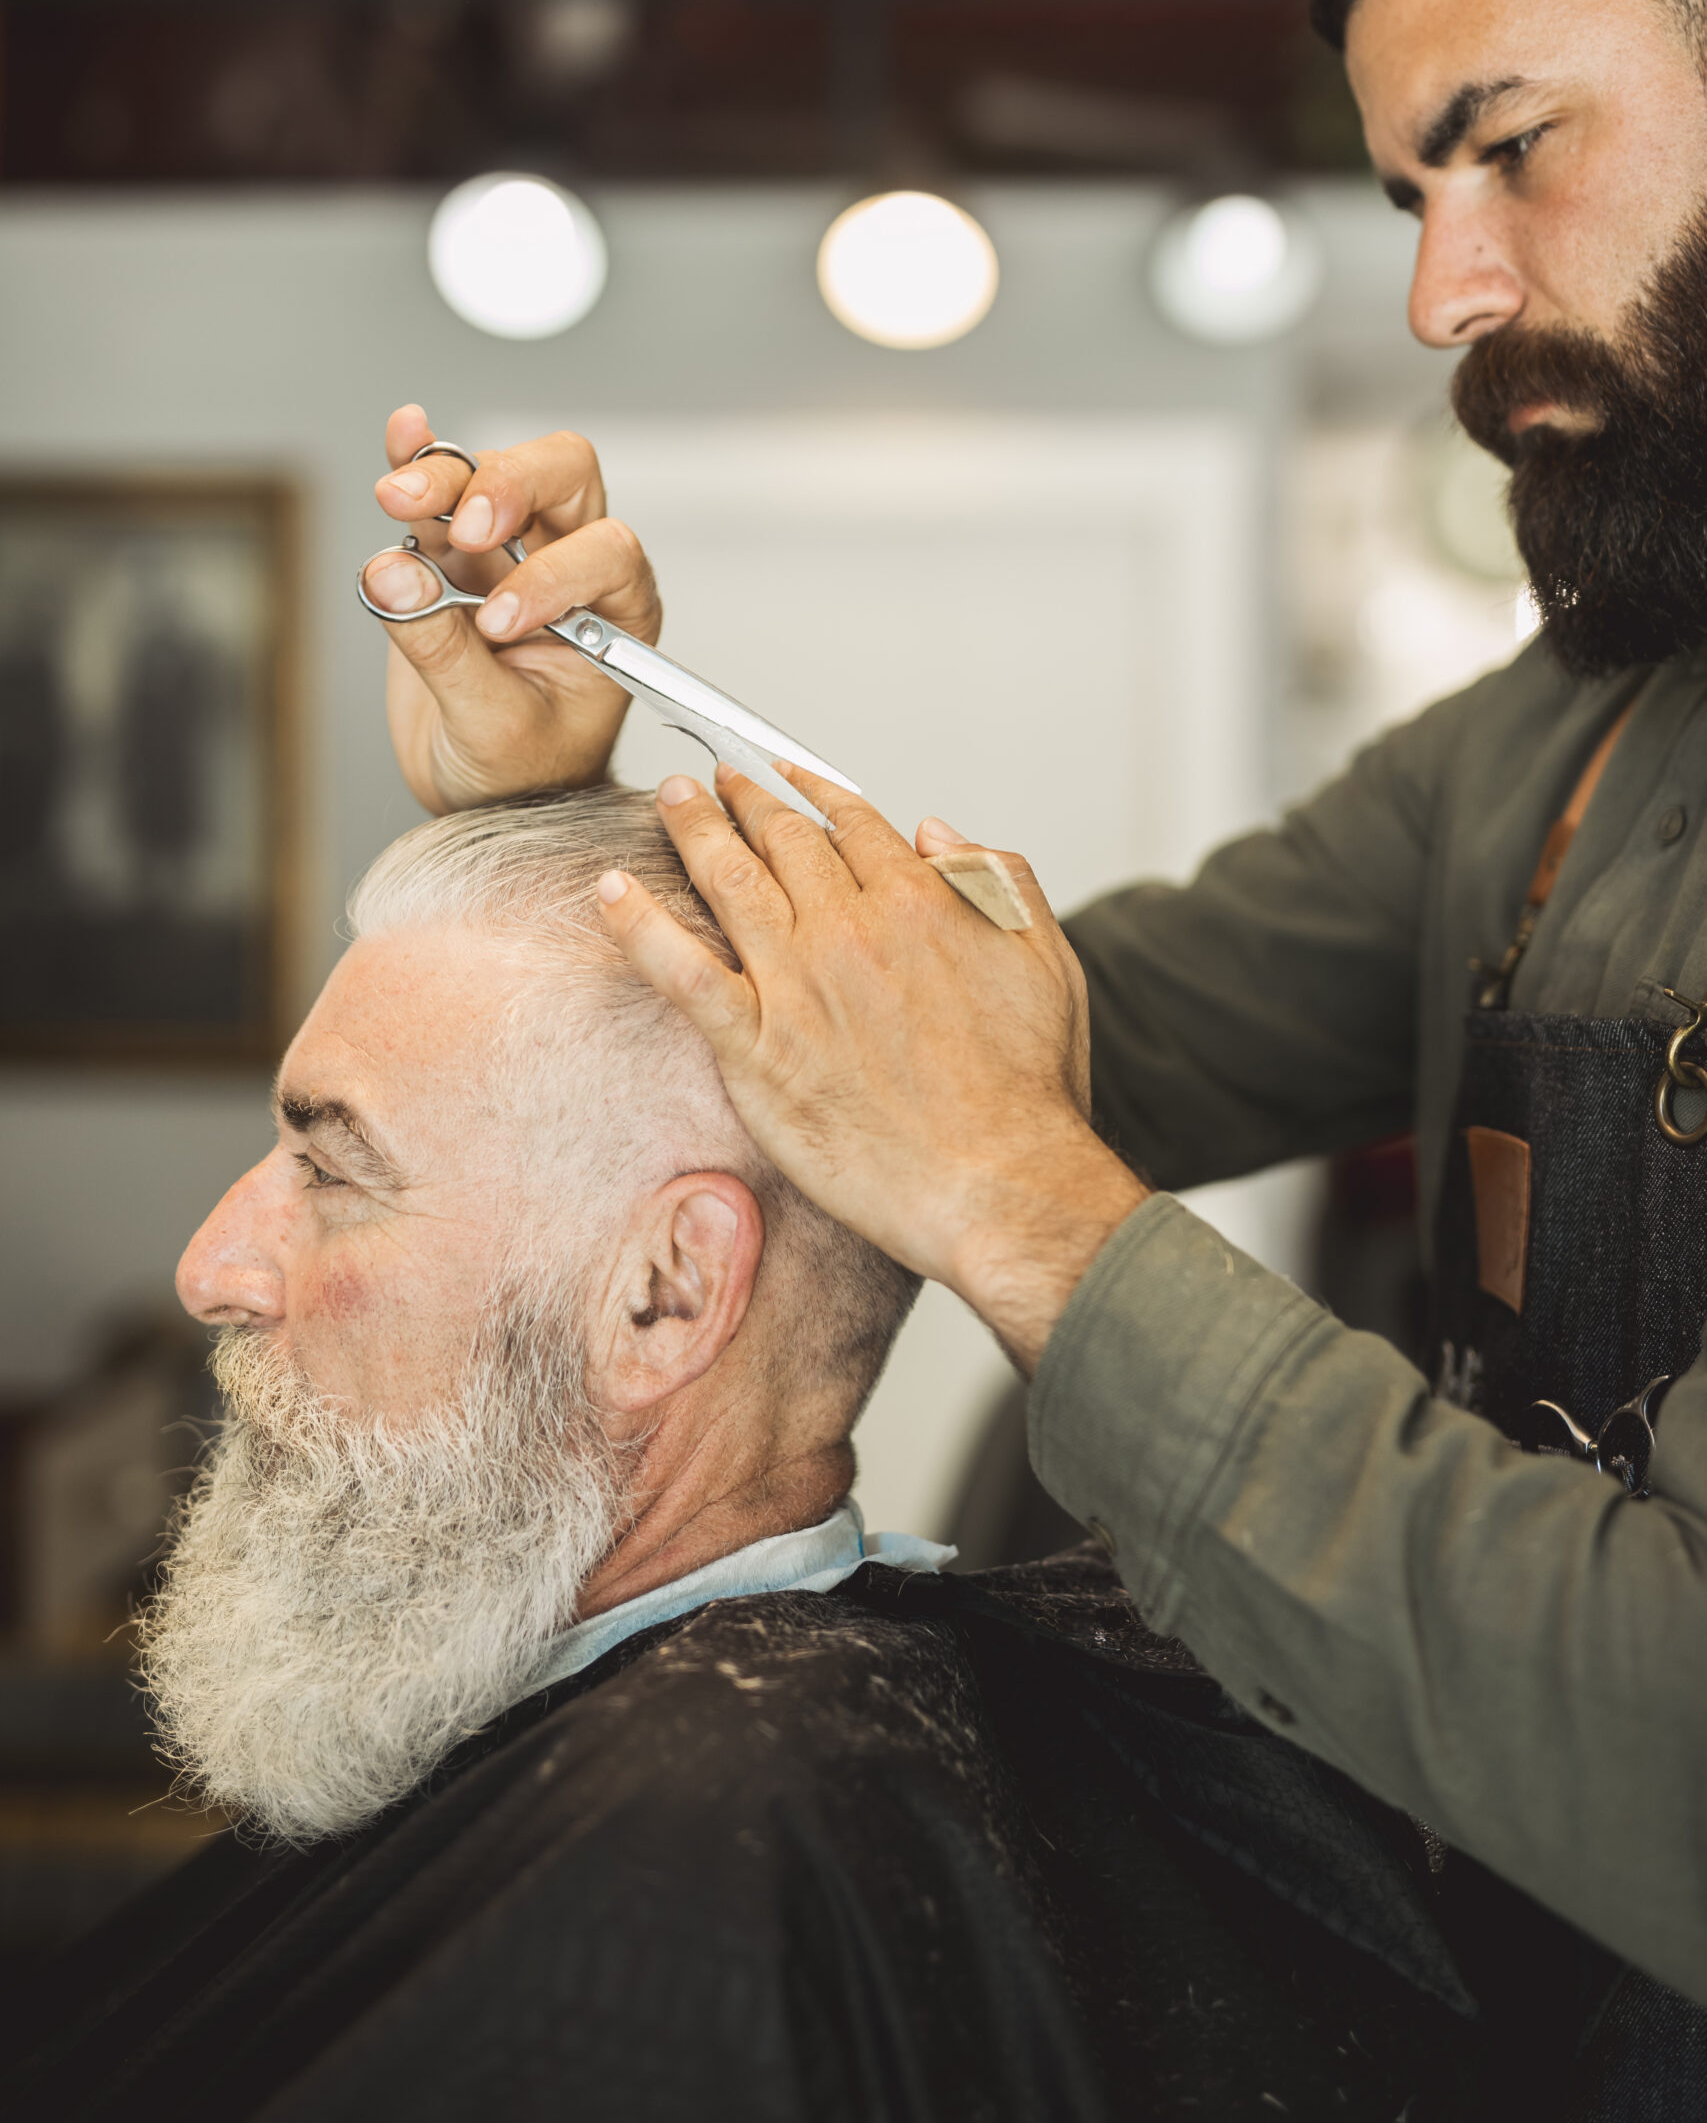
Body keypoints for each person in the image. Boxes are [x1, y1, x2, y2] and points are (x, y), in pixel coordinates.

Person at [343, 0, 1707, 2115]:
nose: (1438, 290)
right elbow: (1014, 1020)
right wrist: (576, 787)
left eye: (1511, 146)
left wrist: (1022, 1208)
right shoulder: (1568, 737)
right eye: (1408, 191)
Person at [10, 791, 1478, 2123]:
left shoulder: (705, 1855)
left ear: (665, 1295)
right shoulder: (693, 1779)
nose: (213, 1265)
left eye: (332, 1169)